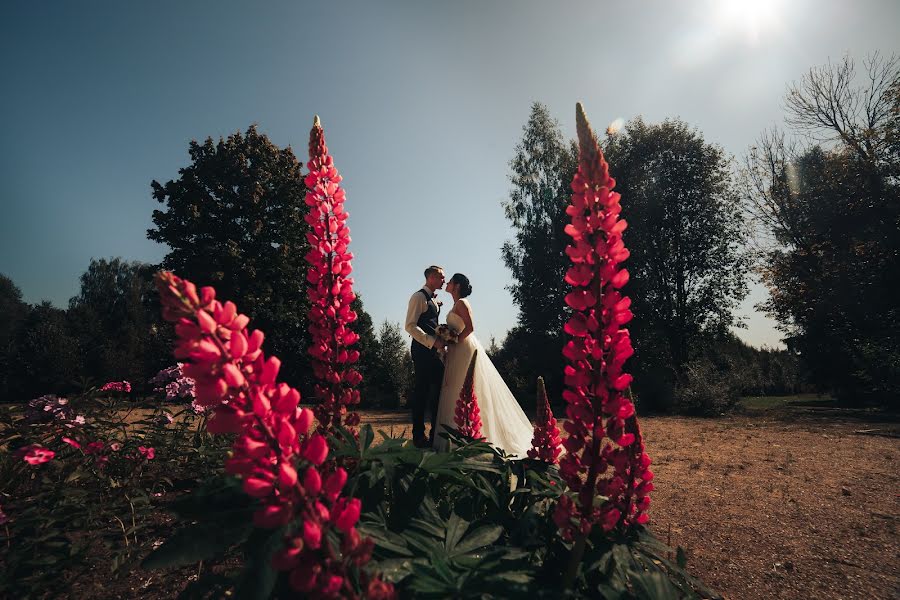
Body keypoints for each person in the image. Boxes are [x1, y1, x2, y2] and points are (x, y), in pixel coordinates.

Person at [432, 273, 533, 455]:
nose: (447, 283)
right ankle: (455, 440)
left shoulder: (462, 303)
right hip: (456, 350)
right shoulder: (455, 304)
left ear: (456, 285)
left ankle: (473, 438)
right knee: (454, 389)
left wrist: (454, 341)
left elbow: (470, 328)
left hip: (464, 349)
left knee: (467, 388)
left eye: (450, 281)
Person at [404, 265, 446, 448]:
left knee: (439, 392)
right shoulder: (418, 297)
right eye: (441, 277)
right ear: (431, 277)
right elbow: (410, 326)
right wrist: (432, 341)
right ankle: (418, 436)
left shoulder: (432, 300)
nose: (444, 280)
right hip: (421, 351)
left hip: (434, 352)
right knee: (421, 392)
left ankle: (435, 434)